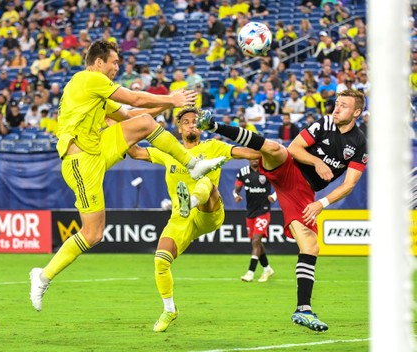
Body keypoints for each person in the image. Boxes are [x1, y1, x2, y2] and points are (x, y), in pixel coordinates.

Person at [29, 40, 226, 312]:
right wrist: (171, 98)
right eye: (114, 63)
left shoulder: (96, 92)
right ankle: (42, 276)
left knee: (144, 123)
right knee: (92, 234)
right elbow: (133, 98)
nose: (116, 68)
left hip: (97, 147)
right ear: (99, 62)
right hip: (79, 161)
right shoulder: (87, 79)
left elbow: (130, 115)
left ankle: (193, 165)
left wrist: (165, 107)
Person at [196, 89, 368, 332]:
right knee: (276, 148)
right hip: (288, 168)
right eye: (336, 103)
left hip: (303, 192)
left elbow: (349, 184)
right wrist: (316, 161)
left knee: (311, 246)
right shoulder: (325, 123)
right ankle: (213, 125)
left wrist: (321, 203)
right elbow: (296, 148)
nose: (336, 109)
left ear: (357, 112)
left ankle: (303, 310)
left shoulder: (360, 143)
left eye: (344, 106)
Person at [128, 106, 262, 332]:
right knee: (161, 261)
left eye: (195, 121)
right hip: (181, 220)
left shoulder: (214, 146)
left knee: (206, 181)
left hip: (209, 211)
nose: (191, 124)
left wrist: (269, 151)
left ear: (200, 127)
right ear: (179, 128)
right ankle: (169, 309)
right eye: (187, 121)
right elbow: (135, 152)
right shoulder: (168, 150)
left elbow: (253, 153)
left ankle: (189, 201)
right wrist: (116, 123)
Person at [234, 159, 276, 283]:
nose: (254, 160)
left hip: (263, 211)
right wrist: (236, 196)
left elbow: (280, 186)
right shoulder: (243, 172)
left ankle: (250, 272)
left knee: (256, 240)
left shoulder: (267, 170)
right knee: (256, 243)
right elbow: (236, 190)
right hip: (250, 212)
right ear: (248, 159)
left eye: (257, 158)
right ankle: (267, 269)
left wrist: (273, 196)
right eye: (252, 158)